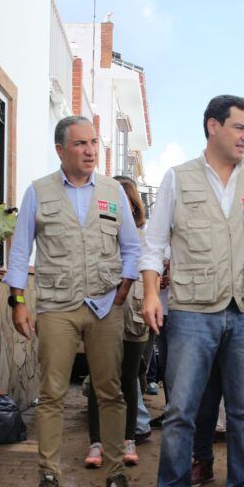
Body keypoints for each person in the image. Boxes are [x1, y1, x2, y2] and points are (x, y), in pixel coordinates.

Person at [140, 95, 244, 487]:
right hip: (191, 313)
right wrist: (149, 295)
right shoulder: (178, 179)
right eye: (238, 127)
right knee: (182, 410)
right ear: (212, 127)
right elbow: (153, 244)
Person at [6, 116, 142, 487]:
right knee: (51, 395)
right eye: (80, 144)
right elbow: (20, 251)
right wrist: (17, 302)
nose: (89, 150)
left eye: (93, 143)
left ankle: (116, 475)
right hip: (57, 307)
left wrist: (124, 287)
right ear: (60, 150)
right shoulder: (39, 192)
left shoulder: (113, 191)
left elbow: (131, 247)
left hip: (104, 307)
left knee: (111, 391)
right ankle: (49, 479)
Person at [85, 175, 151, 468]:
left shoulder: (145, 237)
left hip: (134, 317)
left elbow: (154, 273)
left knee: (129, 379)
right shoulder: (96, 232)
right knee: (100, 379)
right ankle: (97, 443)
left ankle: (128, 440)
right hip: (102, 311)